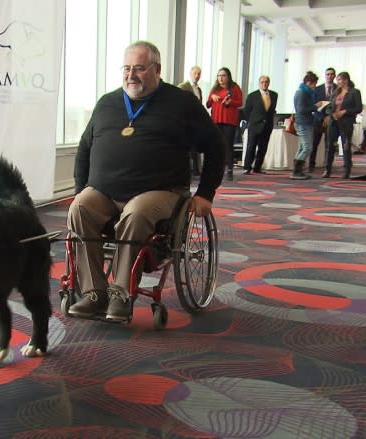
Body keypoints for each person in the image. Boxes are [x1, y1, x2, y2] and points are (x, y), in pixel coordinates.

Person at [67, 41, 225, 322]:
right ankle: (94, 293)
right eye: (126, 68)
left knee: (136, 213)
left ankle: (121, 293)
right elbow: (85, 148)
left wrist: (206, 193)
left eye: (139, 68)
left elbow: (216, 146)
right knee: (79, 207)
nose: (131, 75)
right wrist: (81, 189)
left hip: (160, 191)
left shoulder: (182, 103)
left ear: (157, 69)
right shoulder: (107, 102)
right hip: (104, 191)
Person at [206, 67, 243, 181]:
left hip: (229, 121)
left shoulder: (234, 88)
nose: (221, 78)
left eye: (223, 75)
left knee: (228, 145)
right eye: (219, 76)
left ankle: (230, 170)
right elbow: (208, 104)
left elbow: (240, 102)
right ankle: (217, 169)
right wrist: (212, 97)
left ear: (228, 76)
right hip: (216, 121)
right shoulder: (214, 89)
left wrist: (230, 102)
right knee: (217, 146)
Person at [324, 72, 363, 179]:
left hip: (346, 122)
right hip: (334, 122)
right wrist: (331, 113)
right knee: (330, 146)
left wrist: (345, 111)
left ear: (346, 80)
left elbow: (358, 108)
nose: (338, 82)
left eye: (340, 80)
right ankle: (327, 169)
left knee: (346, 146)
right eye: (338, 80)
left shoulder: (354, 92)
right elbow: (328, 107)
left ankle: (347, 170)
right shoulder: (336, 92)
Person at [291, 71, 326, 180]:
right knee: (307, 147)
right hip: (303, 122)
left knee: (302, 147)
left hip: (304, 121)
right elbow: (301, 109)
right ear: (308, 83)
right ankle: (297, 170)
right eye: (314, 84)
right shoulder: (302, 93)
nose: (315, 87)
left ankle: (297, 169)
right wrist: (315, 107)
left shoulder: (302, 92)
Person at [242, 75, 277, 175]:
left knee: (263, 147)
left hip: (267, 125)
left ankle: (257, 167)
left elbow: (271, 110)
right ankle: (247, 167)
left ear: (269, 83)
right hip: (254, 125)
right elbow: (246, 110)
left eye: (266, 82)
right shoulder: (252, 95)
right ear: (259, 83)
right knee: (251, 147)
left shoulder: (274, 95)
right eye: (262, 82)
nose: (264, 84)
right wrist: (252, 121)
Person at [309, 67, 336, 173]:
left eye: (332, 74)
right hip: (318, 119)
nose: (329, 76)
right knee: (314, 143)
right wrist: (322, 117)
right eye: (328, 74)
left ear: (334, 75)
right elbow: (313, 106)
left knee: (329, 144)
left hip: (331, 120)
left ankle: (328, 165)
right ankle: (311, 164)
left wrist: (330, 117)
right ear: (325, 76)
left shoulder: (337, 89)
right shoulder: (317, 89)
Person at [178, 66, 204, 176]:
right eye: (195, 73)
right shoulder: (183, 87)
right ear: (190, 73)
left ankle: (196, 170)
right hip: (185, 121)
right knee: (187, 147)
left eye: (199, 74)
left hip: (196, 122)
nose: (197, 76)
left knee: (195, 146)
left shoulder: (199, 89)